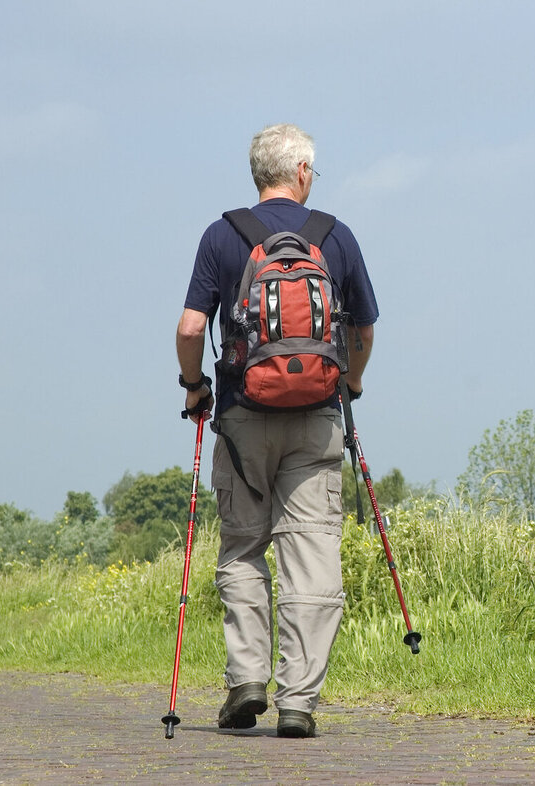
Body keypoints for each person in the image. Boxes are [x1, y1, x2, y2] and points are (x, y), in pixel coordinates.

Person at [175, 123, 378, 738]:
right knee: (311, 555)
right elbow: (364, 331)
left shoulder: (222, 235)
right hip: (316, 420)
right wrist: (352, 382)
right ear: (303, 172)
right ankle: (298, 702)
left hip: (241, 419)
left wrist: (194, 387)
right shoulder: (334, 237)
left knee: (243, 547)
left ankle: (246, 682)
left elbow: (189, 329)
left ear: (258, 174)